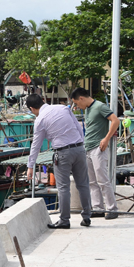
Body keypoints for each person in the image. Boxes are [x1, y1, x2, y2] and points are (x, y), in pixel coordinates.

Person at [25, 94, 92, 229]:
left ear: (32, 109)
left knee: (63, 188)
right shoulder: (63, 108)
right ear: (43, 101)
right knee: (83, 184)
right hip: (79, 148)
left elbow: (36, 145)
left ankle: (64, 220)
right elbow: (79, 128)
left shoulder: (40, 120)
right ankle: (87, 217)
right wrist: (81, 145)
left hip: (62, 153)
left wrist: (30, 166)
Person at [70, 88, 120, 219]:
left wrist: (106, 138)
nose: (77, 106)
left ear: (81, 98)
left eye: (76, 103)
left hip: (98, 148)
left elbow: (115, 120)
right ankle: (98, 207)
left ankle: (112, 208)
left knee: (102, 179)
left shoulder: (100, 106)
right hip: (87, 148)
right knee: (91, 181)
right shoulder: (87, 109)